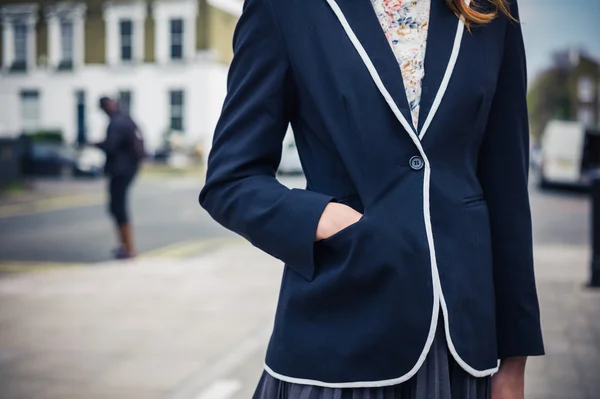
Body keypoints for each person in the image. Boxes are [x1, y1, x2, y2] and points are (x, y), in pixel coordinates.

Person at [199, 0, 544, 397]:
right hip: (338, 337)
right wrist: (323, 219)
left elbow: (507, 190)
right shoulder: (285, 7)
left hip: (459, 348)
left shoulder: (490, 7)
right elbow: (231, 178)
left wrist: (515, 359)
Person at [97, 96, 141, 259]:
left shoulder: (116, 123)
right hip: (129, 168)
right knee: (117, 207)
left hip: (119, 170)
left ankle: (128, 248)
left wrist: (96, 144)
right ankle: (125, 246)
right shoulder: (127, 119)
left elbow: (111, 146)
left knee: (118, 208)